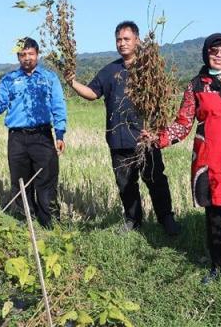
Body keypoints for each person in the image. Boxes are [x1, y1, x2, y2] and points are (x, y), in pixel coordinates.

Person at [149, 33, 221, 294]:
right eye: (214, 51)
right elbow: (183, 123)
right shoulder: (196, 86)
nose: (219, 56)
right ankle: (219, 265)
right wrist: (158, 138)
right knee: (214, 219)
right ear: (206, 53)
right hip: (210, 163)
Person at [64, 21, 179, 235]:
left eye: (127, 39)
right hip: (118, 140)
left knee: (156, 180)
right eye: (119, 39)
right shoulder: (109, 71)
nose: (122, 43)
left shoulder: (149, 70)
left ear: (137, 40)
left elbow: (162, 101)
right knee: (125, 184)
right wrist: (72, 82)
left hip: (145, 139)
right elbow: (92, 93)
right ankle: (133, 220)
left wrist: (156, 131)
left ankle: (166, 219)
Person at [0, 37, 67, 228]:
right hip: (17, 138)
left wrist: (59, 134)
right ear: (18, 56)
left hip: (42, 136)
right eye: (23, 54)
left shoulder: (49, 78)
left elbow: (58, 106)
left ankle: (51, 225)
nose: (27, 58)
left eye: (30, 54)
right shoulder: (9, 80)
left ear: (37, 54)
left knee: (46, 182)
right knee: (21, 184)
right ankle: (28, 223)